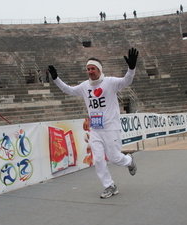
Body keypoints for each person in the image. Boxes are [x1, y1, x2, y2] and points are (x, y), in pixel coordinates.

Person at [47, 48, 139, 198]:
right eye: (88, 69)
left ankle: (129, 161)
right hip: (95, 129)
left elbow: (126, 81)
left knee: (114, 158)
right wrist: (56, 79)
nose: (90, 71)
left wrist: (131, 69)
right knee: (98, 159)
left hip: (111, 128)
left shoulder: (110, 82)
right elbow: (69, 90)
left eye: (93, 68)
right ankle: (109, 186)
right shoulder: (85, 86)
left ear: (99, 69)